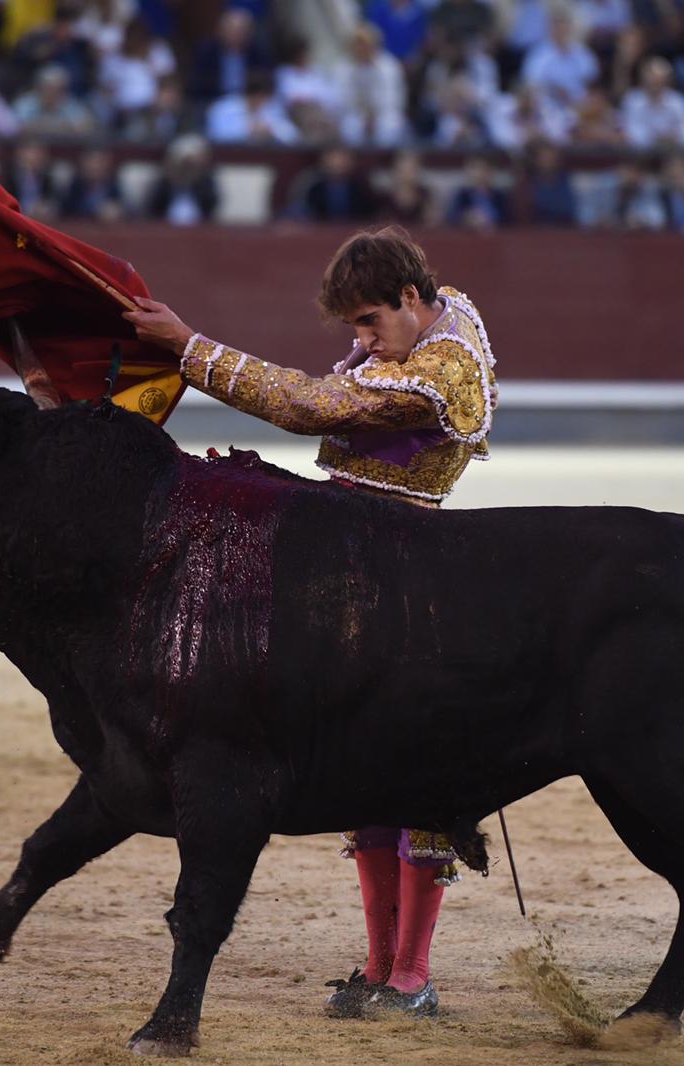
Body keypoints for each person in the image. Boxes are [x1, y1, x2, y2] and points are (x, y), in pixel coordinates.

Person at [119, 227, 497, 1020]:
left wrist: (191, 348)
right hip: (359, 565)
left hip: (409, 577)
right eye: (354, 329)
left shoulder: (445, 365)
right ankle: (377, 967)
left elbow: (308, 406)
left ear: (408, 297)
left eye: (369, 322)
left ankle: (413, 976)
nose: (362, 343)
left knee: (416, 775)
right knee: (362, 770)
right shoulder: (435, 315)